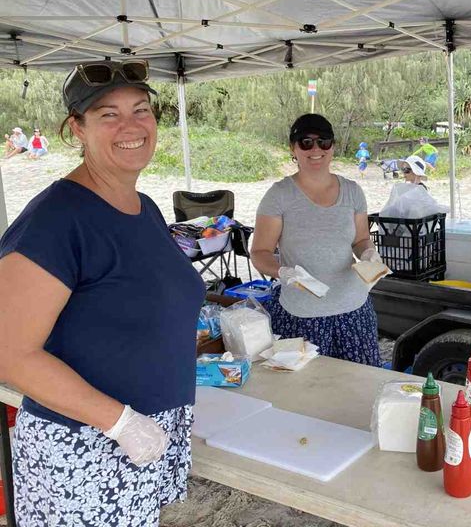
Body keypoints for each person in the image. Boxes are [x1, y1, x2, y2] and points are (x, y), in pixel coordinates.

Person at [0, 59, 206, 526]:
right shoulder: (56, 219)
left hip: (143, 438)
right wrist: (120, 422)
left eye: (141, 110)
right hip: (83, 449)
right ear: (77, 127)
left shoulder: (145, 206)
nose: (131, 127)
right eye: (108, 115)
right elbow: (9, 354)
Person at [251, 113, 383, 366]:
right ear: (293, 148)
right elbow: (260, 252)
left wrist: (369, 253)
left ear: (332, 147)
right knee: (306, 396)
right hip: (302, 314)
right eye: (306, 142)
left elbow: (361, 239)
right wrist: (283, 272)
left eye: (323, 142)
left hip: (355, 310)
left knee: (360, 387)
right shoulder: (279, 195)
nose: (316, 150)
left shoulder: (353, 191)